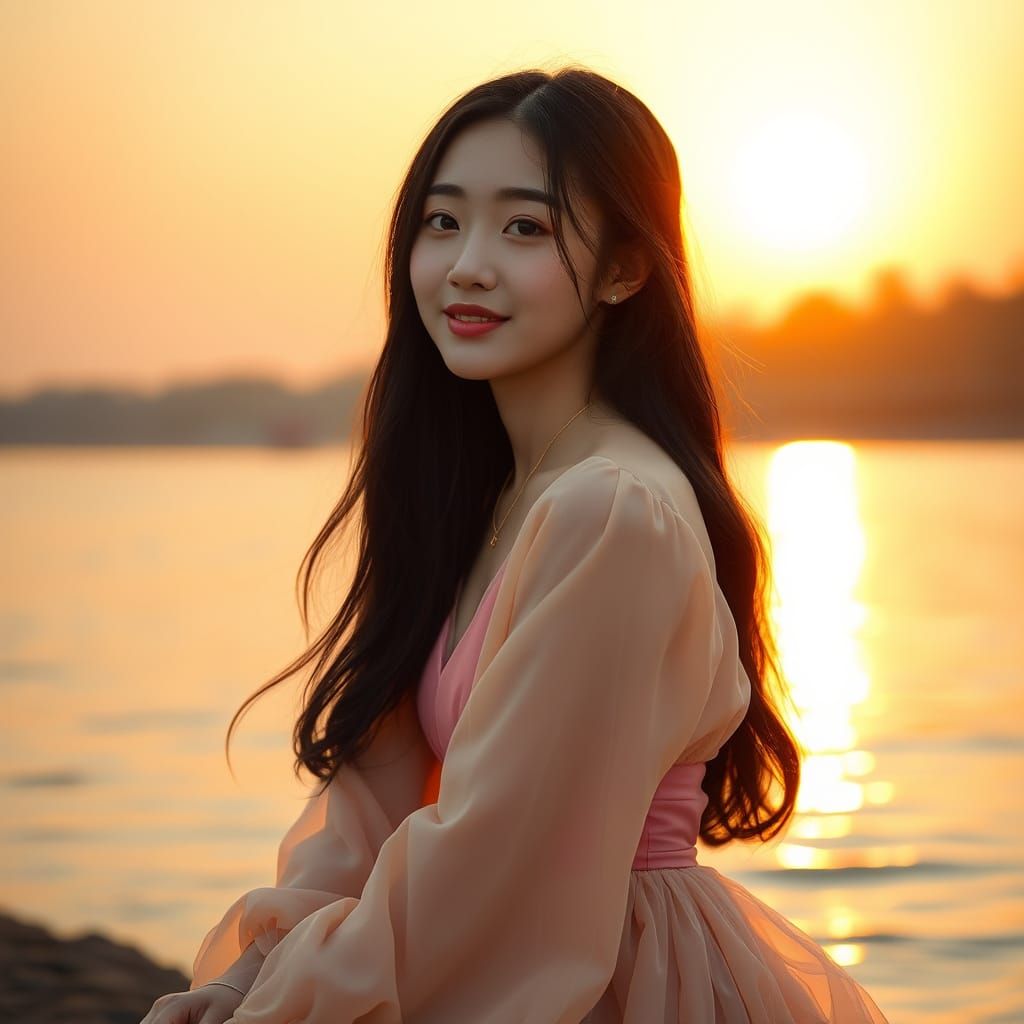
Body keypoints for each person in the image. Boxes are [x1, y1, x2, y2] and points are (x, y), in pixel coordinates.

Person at [141, 66, 890, 1023]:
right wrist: (246, 982)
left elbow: (492, 863)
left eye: (524, 227)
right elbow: (376, 802)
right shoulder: (484, 497)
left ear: (626, 268)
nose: (467, 265)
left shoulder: (613, 514)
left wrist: (285, 1002)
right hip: (504, 947)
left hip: (592, 976)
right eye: (443, 222)